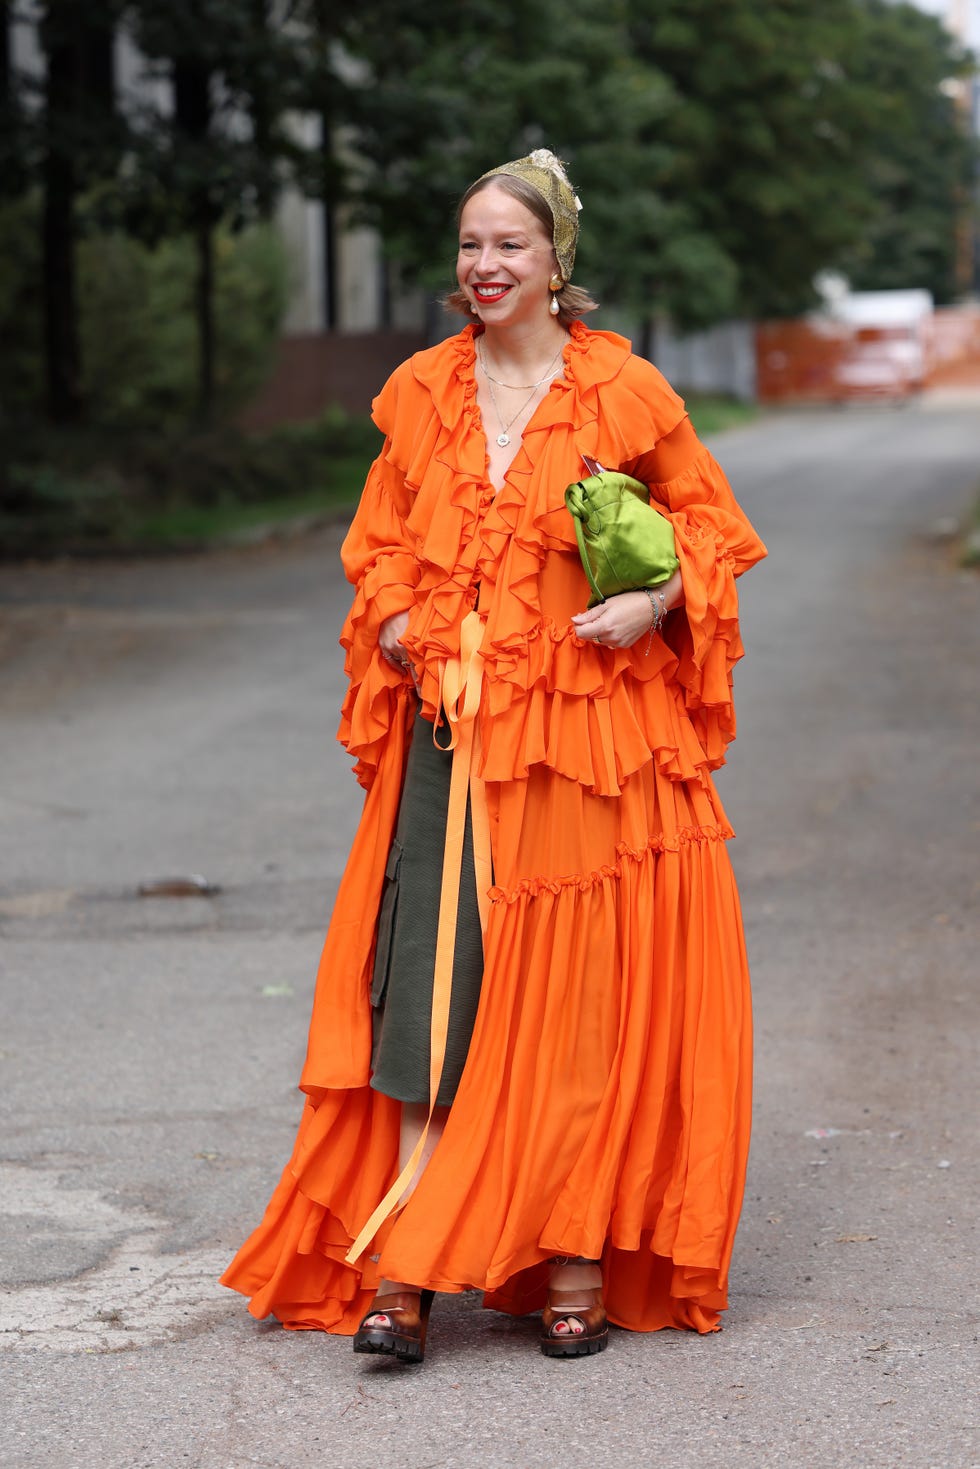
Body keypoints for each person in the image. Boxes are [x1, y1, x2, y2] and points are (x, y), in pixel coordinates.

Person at [221, 148, 766, 1361]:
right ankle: (403, 1264)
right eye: (469, 245)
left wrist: (653, 596)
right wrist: (405, 617)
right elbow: (379, 544)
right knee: (427, 987)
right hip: (450, 731)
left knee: (574, 994)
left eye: (507, 245)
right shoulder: (419, 391)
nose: (483, 265)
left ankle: (571, 1255)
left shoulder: (621, 390)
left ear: (554, 259)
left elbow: (710, 526)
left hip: (588, 738)